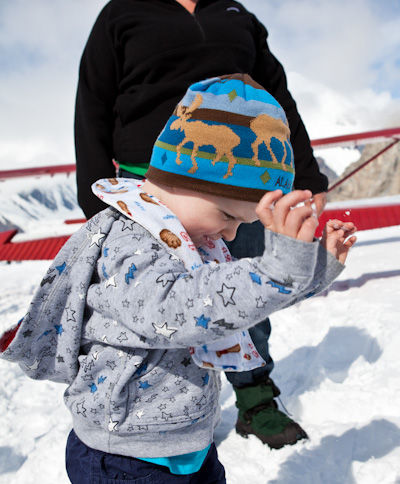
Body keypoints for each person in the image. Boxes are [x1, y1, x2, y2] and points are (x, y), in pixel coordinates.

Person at [1, 74, 356, 484]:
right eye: (229, 216)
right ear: (188, 180)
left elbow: (236, 302)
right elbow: (183, 309)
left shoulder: (191, 239)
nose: (234, 234)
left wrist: (311, 268)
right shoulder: (130, 242)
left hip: (190, 446)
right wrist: (279, 269)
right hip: (124, 464)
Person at [74, 0, 329, 449]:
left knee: (244, 283)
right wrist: (95, 196)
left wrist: (306, 174)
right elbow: (93, 102)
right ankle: (148, 413)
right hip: (149, 182)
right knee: (155, 298)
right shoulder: (122, 13)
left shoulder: (235, 13)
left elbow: (278, 96)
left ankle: (254, 395)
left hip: (242, 185)